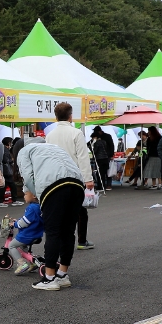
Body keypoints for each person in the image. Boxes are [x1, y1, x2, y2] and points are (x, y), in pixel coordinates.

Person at [17, 141, 84, 291]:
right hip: (77, 184)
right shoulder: (54, 147)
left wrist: (39, 198)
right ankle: (62, 275)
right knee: (68, 231)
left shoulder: (24, 151)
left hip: (53, 187)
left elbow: (28, 177)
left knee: (53, 232)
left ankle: (49, 278)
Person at [44, 104, 95, 247]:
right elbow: (83, 158)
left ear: (56, 117)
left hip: (55, 178)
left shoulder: (50, 135)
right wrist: (88, 179)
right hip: (74, 178)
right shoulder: (76, 133)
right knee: (80, 211)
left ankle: (59, 241)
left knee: (60, 211)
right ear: (70, 116)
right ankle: (81, 241)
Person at [8, 191, 43, 275]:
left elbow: (24, 222)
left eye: (26, 194)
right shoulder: (39, 206)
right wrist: (18, 220)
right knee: (23, 246)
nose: (24, 196)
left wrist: (15, 224)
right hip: (36, 233)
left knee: (11, 245)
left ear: (34, 196)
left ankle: (22, 264)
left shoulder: (31, 208)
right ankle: (32, 262)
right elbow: (29, 219)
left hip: (28, 235)